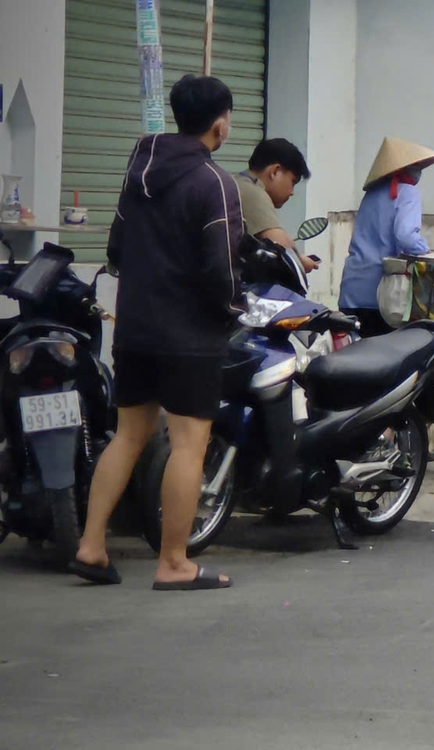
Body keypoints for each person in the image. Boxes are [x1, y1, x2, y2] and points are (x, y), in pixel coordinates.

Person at [68, 75, 244, 592]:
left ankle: (91, 545)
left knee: (129, 434)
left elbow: (116, 249)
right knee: (190, 444)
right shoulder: (215, 184)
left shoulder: (139, 170)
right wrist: (235, 309)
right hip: (188, 335)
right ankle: (173, 562)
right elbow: (223, 271)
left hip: (136, 328)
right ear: (219, 124)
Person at [340, 137, 434, 336]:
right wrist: (428, 253)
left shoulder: (370, 195)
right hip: (383, 297)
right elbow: (406, 237)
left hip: (351, 292)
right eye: (417, 166)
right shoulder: (408, 192)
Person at [236, 137, 316, 270]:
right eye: (292, 182)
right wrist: (301, 261)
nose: (292, 192)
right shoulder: (252, 191)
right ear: (275, 172)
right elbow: (279, 242)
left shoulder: (240, 182)